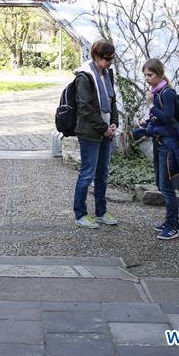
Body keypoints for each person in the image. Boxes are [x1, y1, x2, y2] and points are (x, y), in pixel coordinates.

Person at [133, 58, 179, 241]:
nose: (146, 78)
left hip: (168, 144)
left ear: (159, 74)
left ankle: (173, 225)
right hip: (159, 142)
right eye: (144, 75)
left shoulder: (167, 93)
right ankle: (171, 221)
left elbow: (167, 118)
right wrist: (148, 121)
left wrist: (151, 105)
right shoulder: (157, 91)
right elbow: (161, 118)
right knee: (161, 184)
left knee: (166, 186)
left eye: (150, 75)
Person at [72, 39, 119, 228]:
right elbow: (84, 107)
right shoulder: (84, 76)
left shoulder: (107, 74)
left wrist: (114, 123)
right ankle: (80, 214)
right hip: (90, 133)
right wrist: (104, 128)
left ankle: (101, 212)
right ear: (97, 57)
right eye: (107, 59)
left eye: (112, 59)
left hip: (106, 131)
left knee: (103, 174)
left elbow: (112, 100)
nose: (110, 63)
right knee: (87, 174)